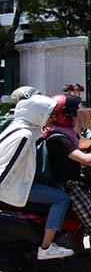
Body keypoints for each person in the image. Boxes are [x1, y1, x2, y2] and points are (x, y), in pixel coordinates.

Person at [42, 94, 91, 272]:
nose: (77, 117)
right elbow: (84, 159)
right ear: (66, 115)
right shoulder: (58, 138)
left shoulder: (58, 133)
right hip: (71, 187)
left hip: (67, 184)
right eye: (74, 113)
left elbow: (82, 148)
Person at [0, 95, 74, 259]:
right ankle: (46, 246)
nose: (53, 119)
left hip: (13, 184)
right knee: (61, 198)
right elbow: (8, 164)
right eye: (50, 114)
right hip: (11, 188)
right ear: (39, 113)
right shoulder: (25, 135)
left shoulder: (19, 127)